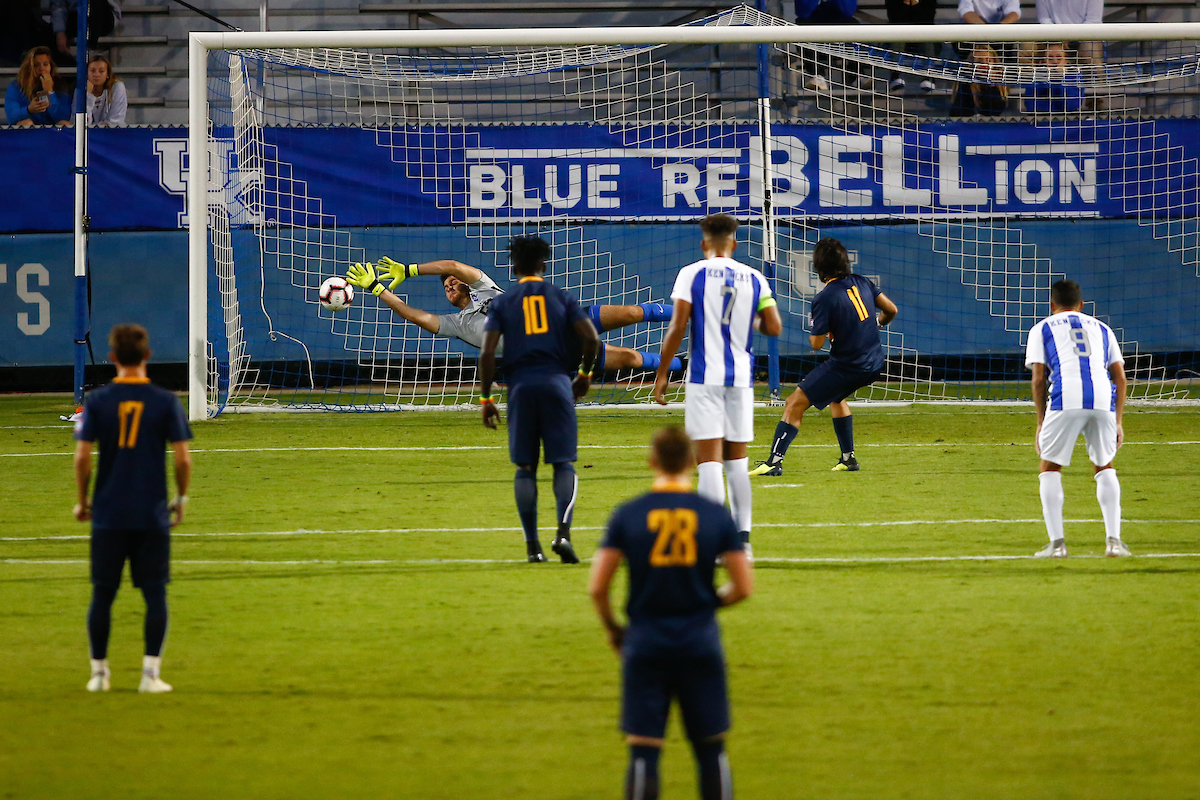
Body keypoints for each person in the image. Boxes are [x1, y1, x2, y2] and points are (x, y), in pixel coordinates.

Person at [589, 425, 754, 800]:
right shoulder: (714, 515)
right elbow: (743, 586)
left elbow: (598, 587)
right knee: (711, 747)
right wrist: (708, 603)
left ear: (652, 461)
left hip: (646, 640)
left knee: (644, 746)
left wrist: (615, 629)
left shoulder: (629, 514)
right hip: (700, 639)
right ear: (693, 461)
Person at [653, 214, 782, 560]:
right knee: (737, 463)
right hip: (740, 379)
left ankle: (711, 543)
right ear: (735, 243)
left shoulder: (691, 274)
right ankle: (742, 543)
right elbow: (774, 327)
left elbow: (678, 326)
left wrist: (663, 373)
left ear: (703, 243)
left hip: (703, 378)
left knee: (708, 462)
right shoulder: (754, 277)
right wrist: (748, 319)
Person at [73, 324, 193, 693]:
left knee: (102, 594)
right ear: (147, 356)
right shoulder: (165, 401)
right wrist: (180, 499)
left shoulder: (96, 402)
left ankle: (99, 674)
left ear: (111, 358)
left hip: (108, 512)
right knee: (154, 593)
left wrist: (83, 500)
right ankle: (150, 676)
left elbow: (82, 458)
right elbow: (183, 460)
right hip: (150, 512)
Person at [477, 237, 600, 563]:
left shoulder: (503, 303)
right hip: (558, 383)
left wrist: (486, 398)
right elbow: (592, 339)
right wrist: (584, 376)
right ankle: (563, 533)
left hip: (520, 388)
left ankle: (533, 548)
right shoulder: (561, 297)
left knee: (525, 468)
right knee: (563, 464)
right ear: (543, 265)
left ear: (514, 267)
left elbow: (487, 353)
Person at [346, 255, 679, 375]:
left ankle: (692, 312)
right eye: (445, 287)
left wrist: (409, 270)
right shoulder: (457, 325)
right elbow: (414, 315)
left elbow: (454, 266)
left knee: (634, 311)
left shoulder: (486, 289)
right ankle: (687, 366)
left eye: (452, 282)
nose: (449, 285)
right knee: (633, 360)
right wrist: (378, 288)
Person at [750, 237, 897, 477]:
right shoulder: (862, 282)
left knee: (794, 402)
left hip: (849, 365)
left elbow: (816, 345)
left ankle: (774, 462)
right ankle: (848, 459)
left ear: (818, 268)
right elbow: (891, 310)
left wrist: (824, 331)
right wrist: (877, 323)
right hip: (875, 362)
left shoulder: (825, 298)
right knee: (836, 398)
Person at [1025, 279, 1128, 558]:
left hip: (1065, 399)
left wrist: (1040, 421)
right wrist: (1117, 421)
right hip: (1102, 400)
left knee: (1049, 467)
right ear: (1082, 305)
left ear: (1051, 304)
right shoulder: (1103, 328)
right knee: (1104, 466)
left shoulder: (1042, 328)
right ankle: (1114, 543)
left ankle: (1057, 545)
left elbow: (1038, 378)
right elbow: (1120, 377)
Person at [794, 0, 862, 92]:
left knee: (854, 25)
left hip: (838, 36)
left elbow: (848, 12)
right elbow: (803, 12)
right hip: (814, 37)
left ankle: (856, 76)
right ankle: (817, 76)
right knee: (800, 26)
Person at [5, 45, 72, 127]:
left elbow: (63, 117)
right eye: (36, 65)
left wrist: (50, 92)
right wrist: (29, 110)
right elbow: (12, 117)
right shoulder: (17, 86)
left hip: (51, 131)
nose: (41, 68)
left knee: (64, 124)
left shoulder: (59, 85)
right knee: (27, 123)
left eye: (45, 64)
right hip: (29, 131)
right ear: (29, 67)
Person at [886, 0, 939, 93]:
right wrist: (906, 4)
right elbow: (895, 20)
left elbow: (927, 20)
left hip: (923, 36)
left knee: (927, 34)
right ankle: (895, 75)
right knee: (897, 33)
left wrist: (914, 4)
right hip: (900, 35)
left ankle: (929, 75)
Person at [1036, 0, 1103, 67]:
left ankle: (1098, 76)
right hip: (1053, 37)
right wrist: (1060, 37)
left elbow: (1093, 21)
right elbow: (1044, 20)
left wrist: (1070, 36)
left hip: (1085, 38)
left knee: (1091, 49)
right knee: (1028, 46)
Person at [1022, 42, 1085, 113]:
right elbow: (1031, 106)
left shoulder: (1075, 76)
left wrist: (1063, 79)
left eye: (1059, 58)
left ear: (1065, 61)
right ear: (1044, 62)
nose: (1055, 62)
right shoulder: (1035, 77)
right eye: (1050, 58)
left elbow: (1072, 105)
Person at [949, 45, 1010, 117]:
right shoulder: (965, 83)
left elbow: (994, 111)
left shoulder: (1000, 85)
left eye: (988, 60)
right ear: (972, 65)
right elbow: (956, 112)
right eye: (980, 61)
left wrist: (992, 86)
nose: (985, 64)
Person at [51, 0, 121, 56]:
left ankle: (91, 46)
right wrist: (60, 32)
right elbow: (58, 7)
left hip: (103, 18)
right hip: (77, 16)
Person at [83, 54, 126, 127]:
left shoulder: (117, 87)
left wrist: (96, 127)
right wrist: (89, 95)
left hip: (111, 134)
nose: (96, 74)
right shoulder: (80, 90)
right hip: (88, 135)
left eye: (101, 71)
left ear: (107, 74)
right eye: (92, 71)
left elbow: (116, 120)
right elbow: (81, 123)